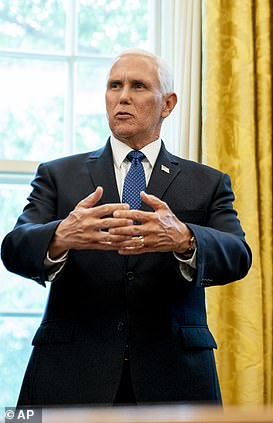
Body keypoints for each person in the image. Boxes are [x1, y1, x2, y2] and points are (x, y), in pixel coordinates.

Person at [1, 49, 252, 406]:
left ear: (167, 104)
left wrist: (185, 239)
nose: (122, 96)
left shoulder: (207, 182)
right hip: (69, 375)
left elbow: (238, 255)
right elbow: (14, 249)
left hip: (174, 377)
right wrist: (60, 236)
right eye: (114, 86)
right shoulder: (58, 175)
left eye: (138, 86)